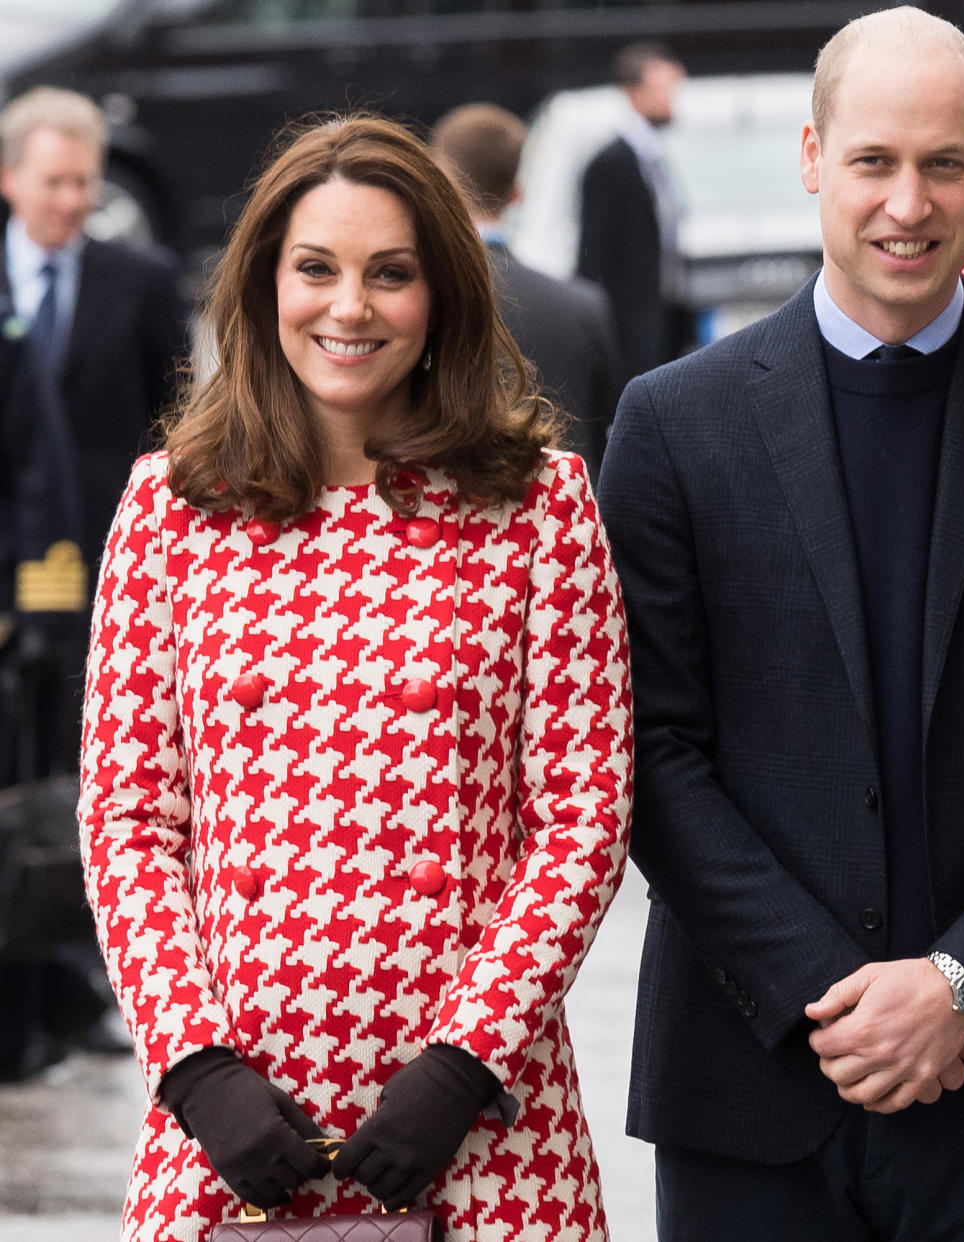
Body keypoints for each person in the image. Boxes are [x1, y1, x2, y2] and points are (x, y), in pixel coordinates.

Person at [597, 8, 964, 1240]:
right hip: (751, 1077)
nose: (907, 203)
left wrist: (960, 983)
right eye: (874, 161)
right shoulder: (672, 425)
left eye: (943, 163)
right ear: (814, 157)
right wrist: (834, 994)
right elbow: (648, 747)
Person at [77, 113, 632, 1241]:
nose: (349, 307)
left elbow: (583, 814)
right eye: (315, 269)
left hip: (482, 1135)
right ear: (261, 285)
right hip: (228, 1138)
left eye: (391, 274)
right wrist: (193, 1068)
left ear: (442, 298)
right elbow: (131, 817)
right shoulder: (171, 509)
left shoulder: (539, 507)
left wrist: (467, 1064)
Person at [0, 85, 187, 1078]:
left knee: (91, 785)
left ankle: (87, 979)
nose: (74, 200)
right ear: (10, 179)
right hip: (14, 579)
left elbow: (179, 422)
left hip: (109, 570)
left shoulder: (140, 277)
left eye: (86, 180)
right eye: (56, 181)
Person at [431, 102, 622, 483]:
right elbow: (608, 436)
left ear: (440, 179)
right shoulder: (584, 307)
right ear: (518, 192)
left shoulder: (418, 300)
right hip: (566, 526)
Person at [577, 42, 692, 384]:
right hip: (628, 328)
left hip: (661, 317)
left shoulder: (652, 158)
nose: (672, 99)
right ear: (634, 93)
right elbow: (592, 255)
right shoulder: (611, 164)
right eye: (663, 89)